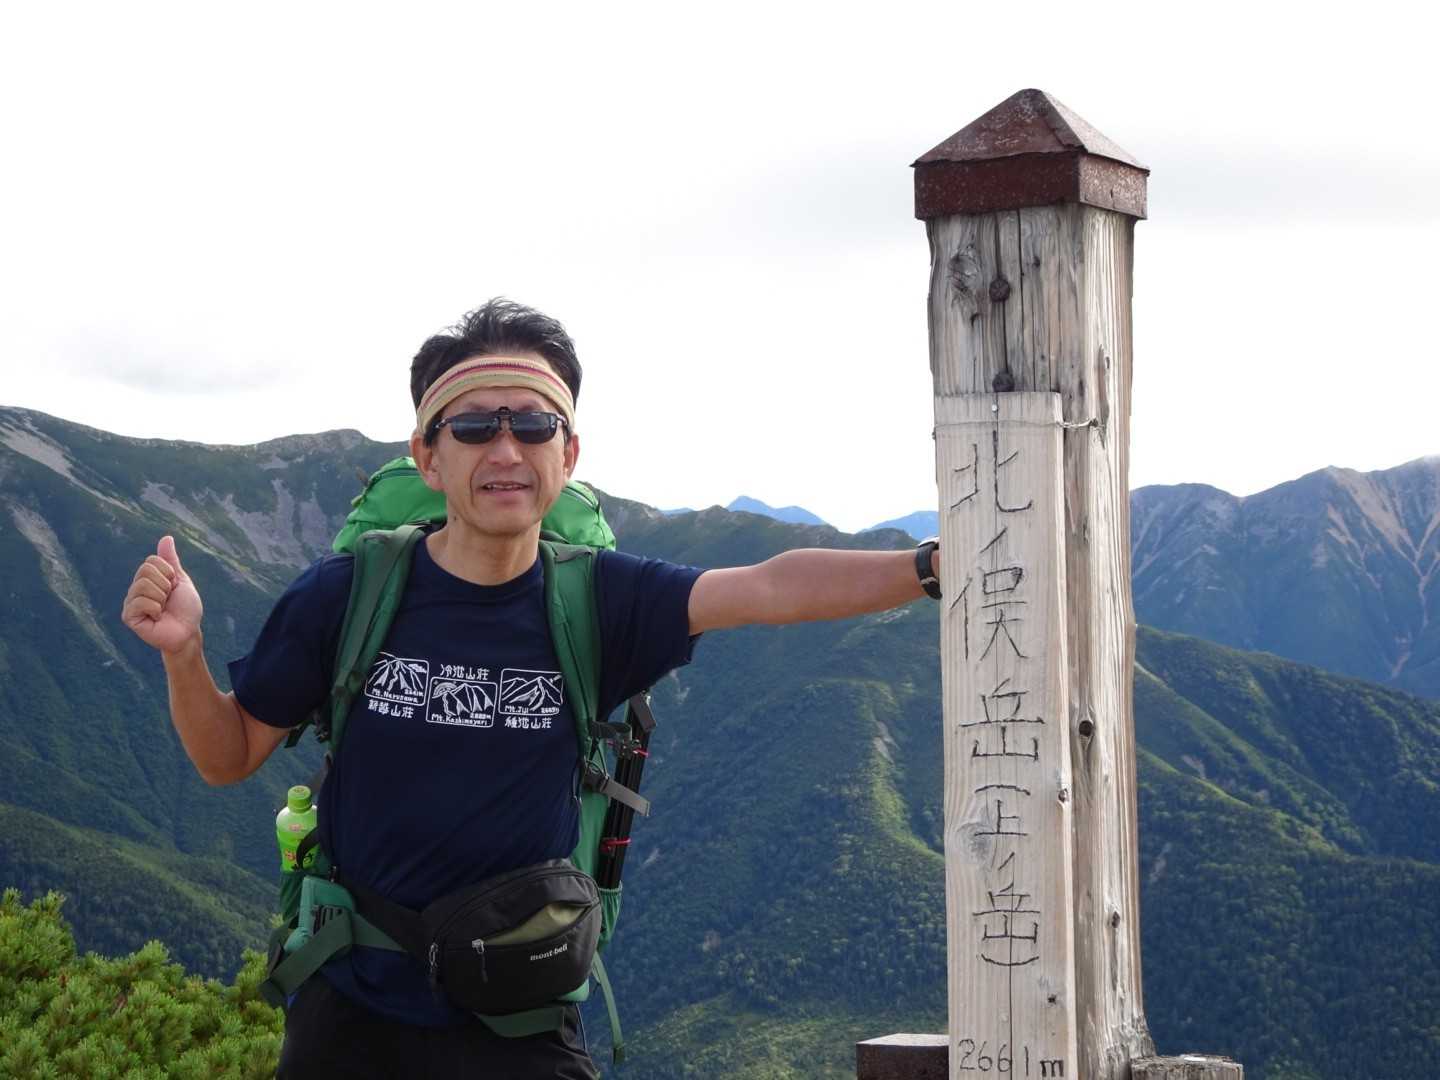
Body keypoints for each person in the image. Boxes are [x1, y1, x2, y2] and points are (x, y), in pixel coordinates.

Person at [120, 298, 942, 1079]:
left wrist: (931, 565)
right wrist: (183, 653)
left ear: (568, 453)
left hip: (520, 1019)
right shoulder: (347, 592)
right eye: (474, 426)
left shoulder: (601, 600)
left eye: (534, 424)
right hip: (352, 1013)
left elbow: (768, 587)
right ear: (428, 457)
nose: (506, 450)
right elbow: (229, 755)